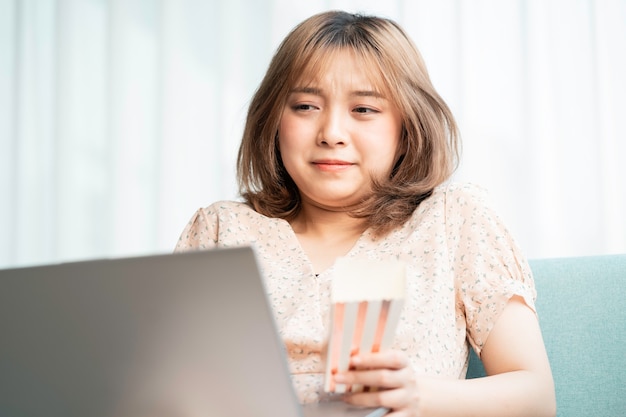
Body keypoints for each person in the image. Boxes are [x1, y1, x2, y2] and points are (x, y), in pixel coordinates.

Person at [175, 10, 556, 417]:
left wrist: (419, 396)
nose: (331, 133)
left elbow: (536, 397)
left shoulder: (453, 219)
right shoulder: (220, 229)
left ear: (407, 131)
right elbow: (164, 383)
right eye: (305, 106)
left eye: (364, 110)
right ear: (273, 121)